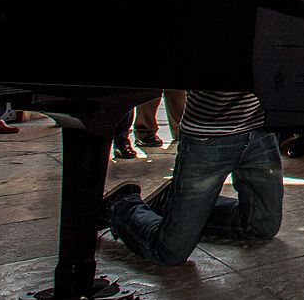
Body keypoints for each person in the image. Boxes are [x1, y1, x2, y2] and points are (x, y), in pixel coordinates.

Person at [104, 90, 283, 266]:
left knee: (261, 226)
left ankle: (168, 201)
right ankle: (121, 204)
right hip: (209, 133)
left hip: (260, 130)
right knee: (169, 251)